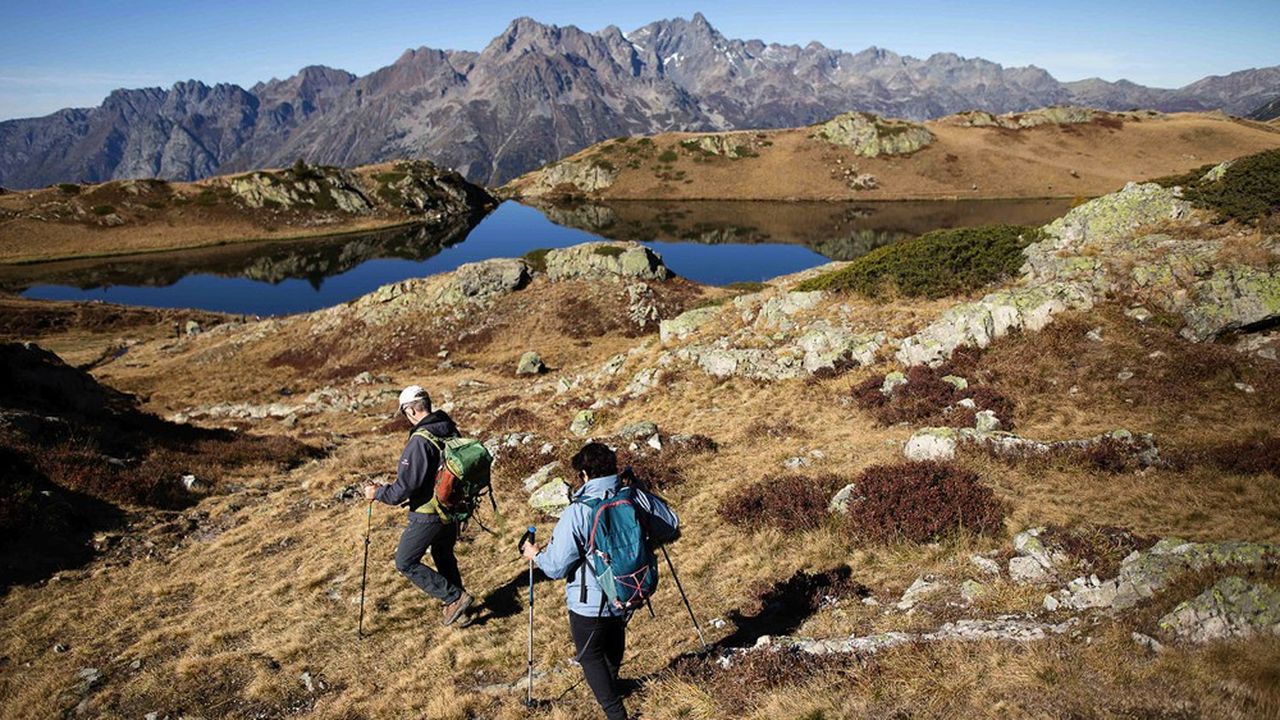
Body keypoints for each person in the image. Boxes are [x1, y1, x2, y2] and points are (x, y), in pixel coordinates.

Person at [521, 442, 679, 720]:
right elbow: (670, 524)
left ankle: (616, 713)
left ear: (584, 474)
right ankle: (612, 685)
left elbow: (557, 568)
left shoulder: (578, 510)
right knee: (613, 637)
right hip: (629, 587)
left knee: (590, 654)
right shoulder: (632, 496)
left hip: (588, 601)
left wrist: (535, 555)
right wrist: (640, 487)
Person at [364, 385, 474, 626]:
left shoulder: (420, 441)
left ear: (410, 410)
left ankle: (455, 597)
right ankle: (460, 612)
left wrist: (377, 492)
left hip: (429, 513)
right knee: (442, 553)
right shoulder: (448, 428)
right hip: (452, 509)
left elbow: (403, 489)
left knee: (405, 561)